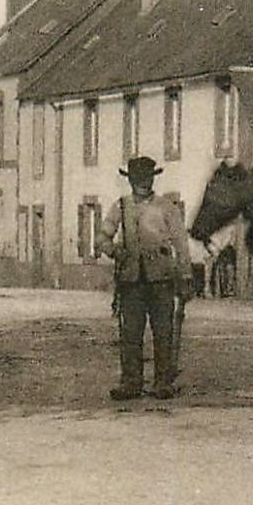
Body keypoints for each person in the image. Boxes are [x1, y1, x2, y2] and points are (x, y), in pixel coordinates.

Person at [97, 156, 191, 400]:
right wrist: (115, 250)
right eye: (138, 179)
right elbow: (101, 239)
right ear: (130, 181)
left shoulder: (166, 207)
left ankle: (163, 382)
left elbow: (181, 244)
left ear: (153, 179)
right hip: (131, 281)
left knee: (163, 333)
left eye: (147, 178)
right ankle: (131, 383)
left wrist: (186, 276)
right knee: (131, 334)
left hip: (161, 280)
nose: (143, 183)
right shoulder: (121, 207)